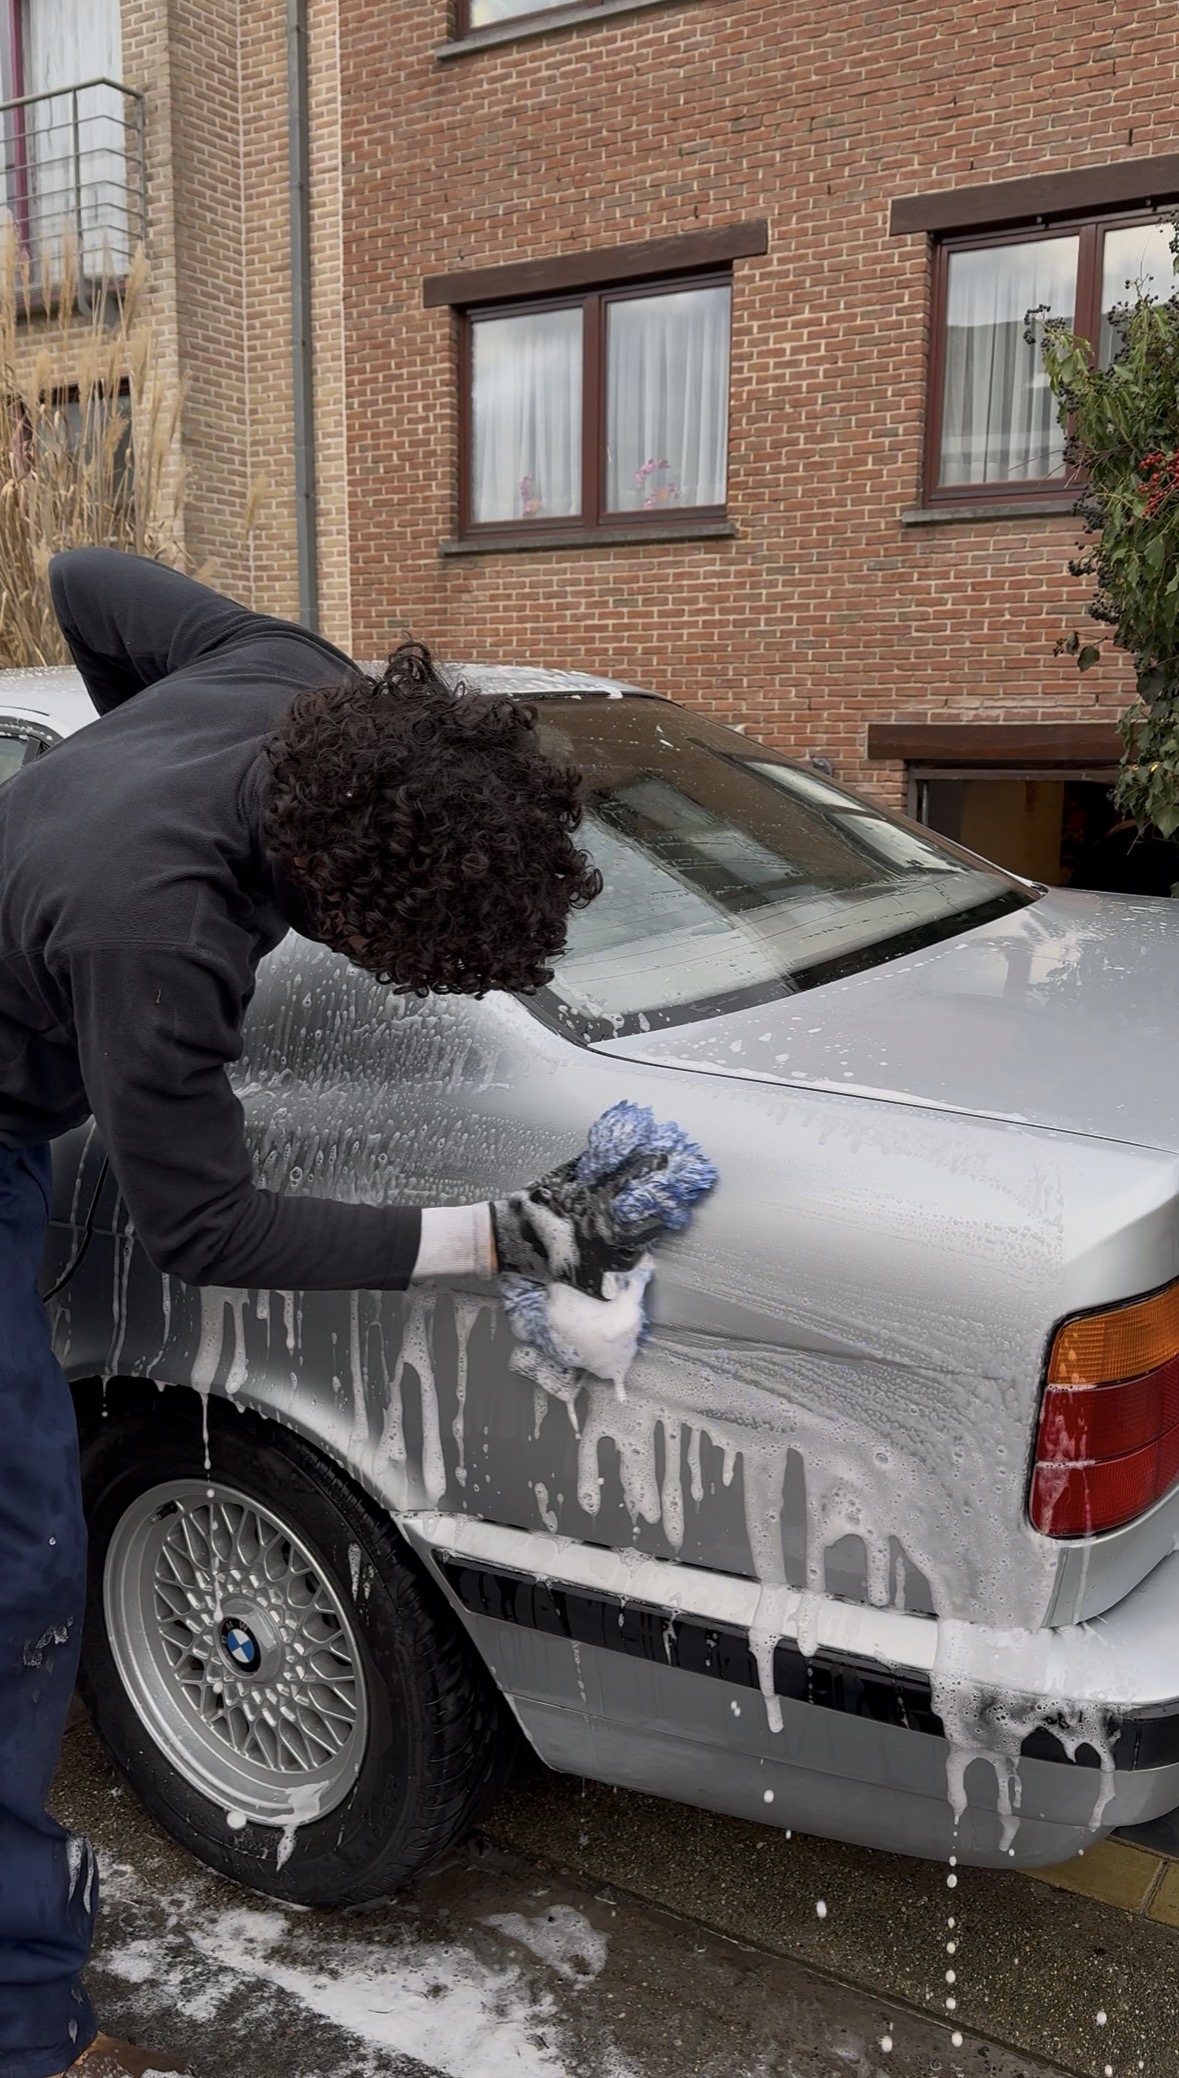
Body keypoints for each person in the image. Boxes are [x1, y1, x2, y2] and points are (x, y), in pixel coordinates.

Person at [0, 549, 673, 2078]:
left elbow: (89, 575)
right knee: (25, 1564)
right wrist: (502, 1235)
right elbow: (204, 1226)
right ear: (338, 901)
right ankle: (24, 2030)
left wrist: (119, 762)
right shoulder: (155, 930)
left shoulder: (297, 676)